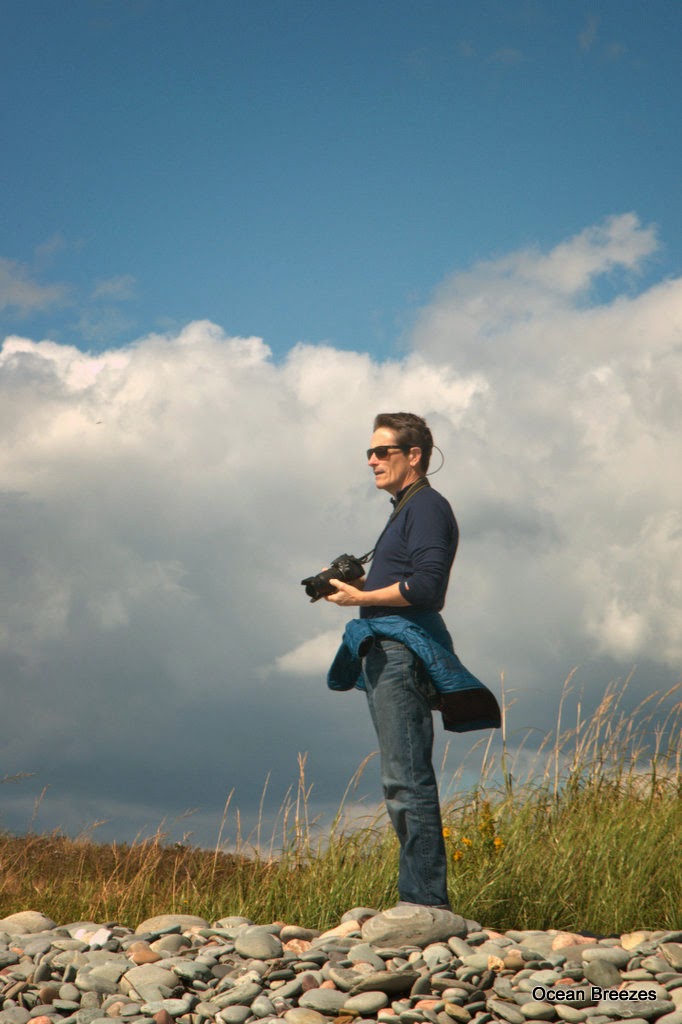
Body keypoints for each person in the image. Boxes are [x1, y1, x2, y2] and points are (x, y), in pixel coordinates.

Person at [324, 412, 498, 910]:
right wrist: (358, 587)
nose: (372, 460)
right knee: (400, 777)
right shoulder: (407, 508)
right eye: (369, 452)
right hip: (388, 648)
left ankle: (425, 903)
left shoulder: (427, 507)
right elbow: (407, 582)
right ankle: (420, 899)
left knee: (406, 779)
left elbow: (426, 588)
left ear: (414, 455)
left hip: (400, 651)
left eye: (382, 451)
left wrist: (359, 599)